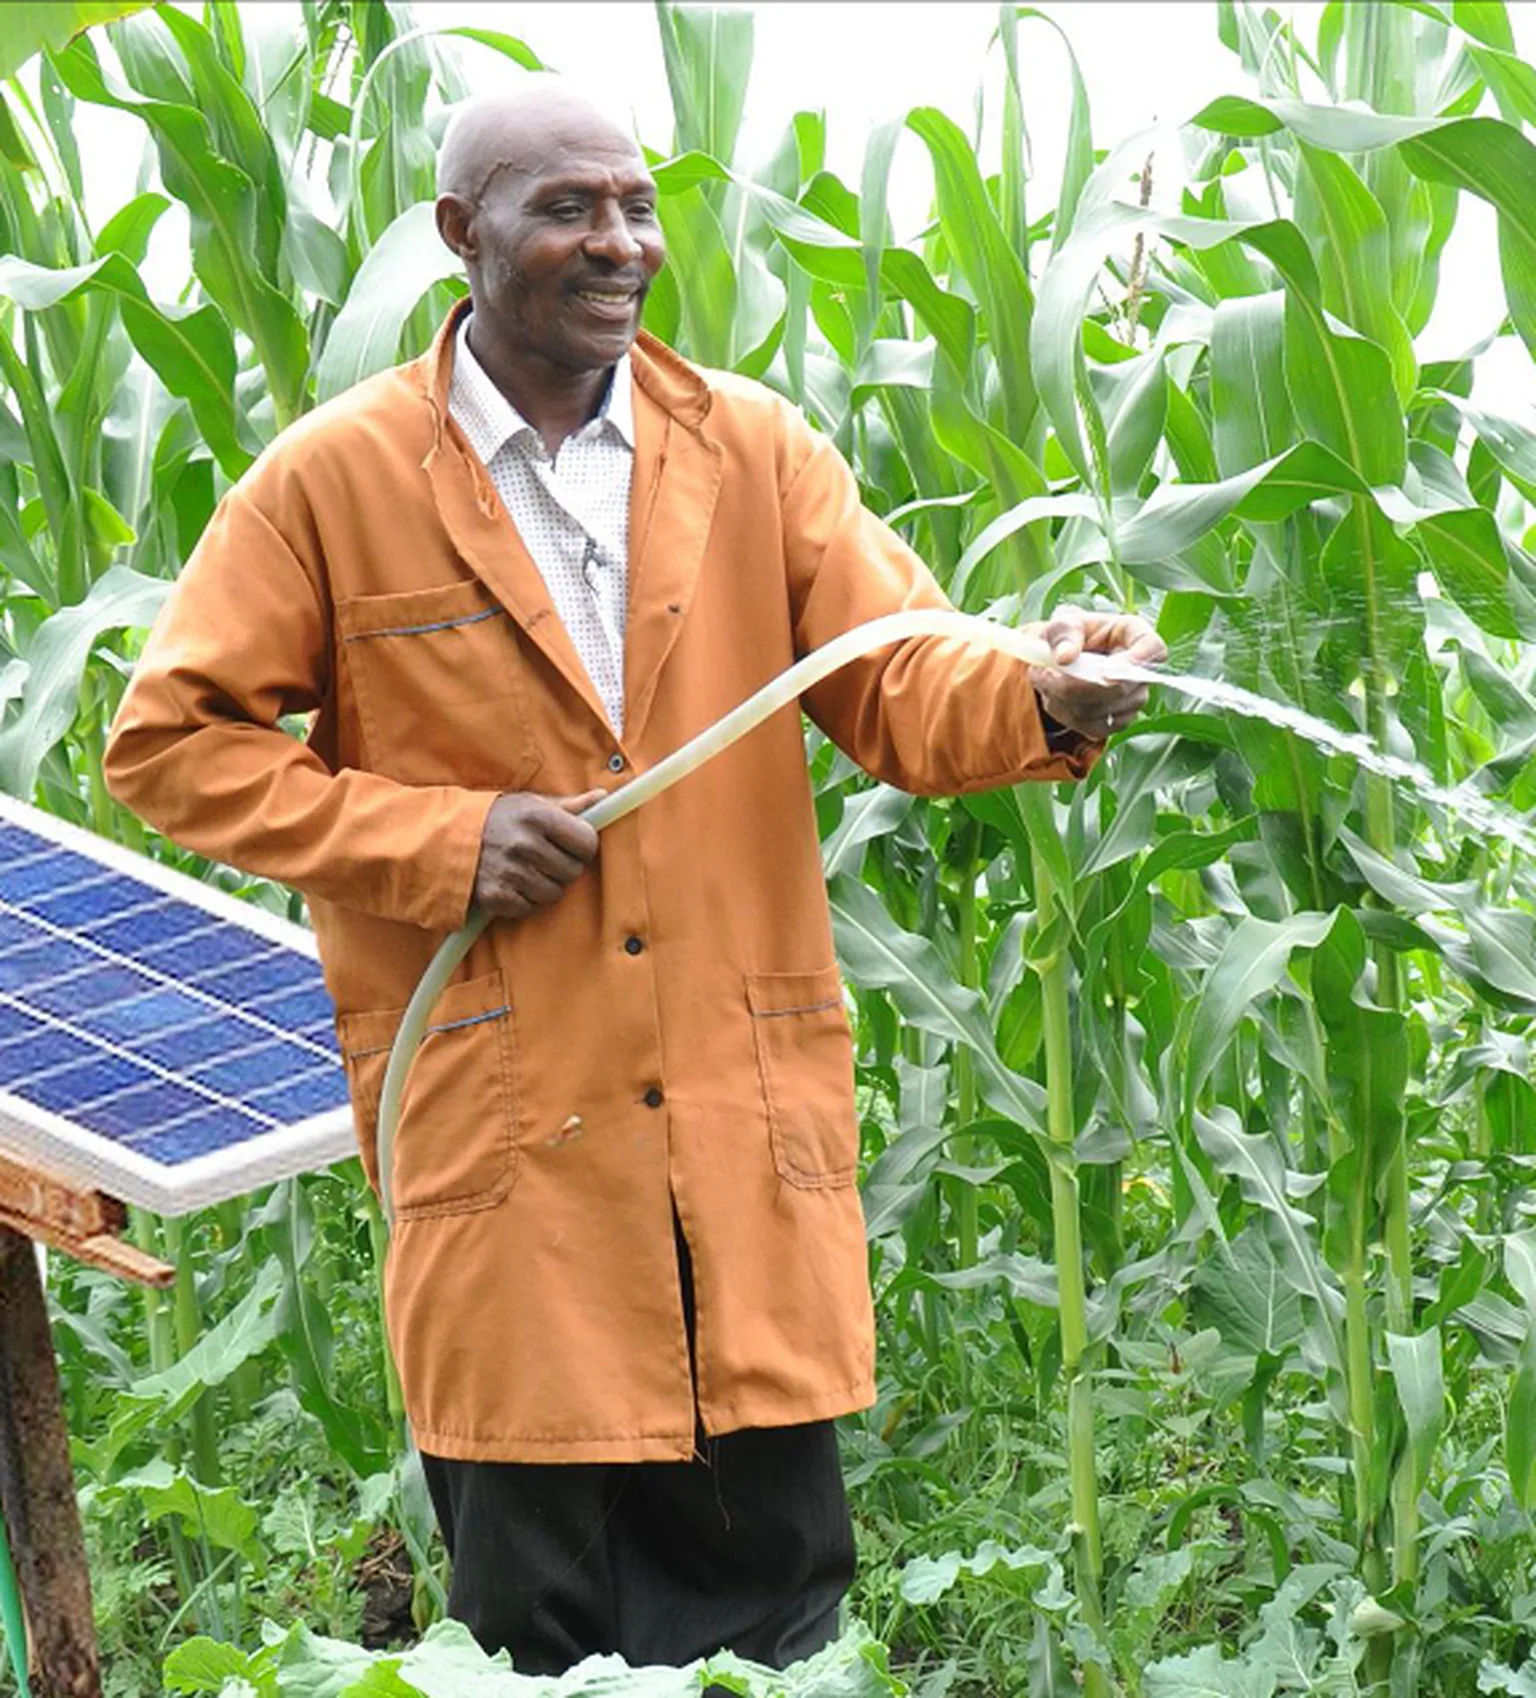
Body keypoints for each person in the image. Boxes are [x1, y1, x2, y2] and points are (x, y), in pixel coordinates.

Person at [104, 83, 1166, 1676]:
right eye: (567, 210)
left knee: (782, 1611)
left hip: (735, 1142)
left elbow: (905, 677)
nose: (620, 244)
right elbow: (170, 744)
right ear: (461, 235)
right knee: (540, 1625)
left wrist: (1047, 690)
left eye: (637, 208)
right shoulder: (332, 481)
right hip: (512, 1151)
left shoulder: (748, 452)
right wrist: (441, 839)